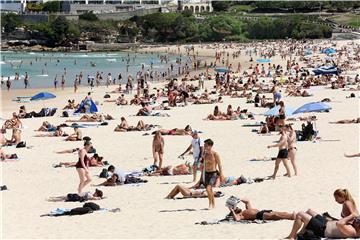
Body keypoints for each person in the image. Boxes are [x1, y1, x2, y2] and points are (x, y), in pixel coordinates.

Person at [285, 209, 360, 239]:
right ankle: (302, 232)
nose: (354, 220)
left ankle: (291, 236)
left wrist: (352, 215)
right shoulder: (354, 227)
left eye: (356, 221)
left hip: (322, 230)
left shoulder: (353, 231)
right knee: (309, 211)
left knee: (300, 214)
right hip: (326, 223)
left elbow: (339, 223)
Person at [228, 198, 295, 221]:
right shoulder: (241, 215)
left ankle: (291, 215)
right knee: (275, 215)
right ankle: (290, 217)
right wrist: (232, 210)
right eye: (236, 208)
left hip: (262, 211)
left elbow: (247, 201)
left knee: (281, 212)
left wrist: (238, 199)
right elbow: (236, 219)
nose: (237, 207)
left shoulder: (246, 209)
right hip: (259, 215)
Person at [202, 139, 223, 209]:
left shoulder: (215, 154)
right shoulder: (205, 153)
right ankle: (213, 204)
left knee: (208, 188)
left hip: (213, 173)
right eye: (204, 145)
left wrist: (221, 175)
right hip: (206, 173)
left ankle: (210, 204)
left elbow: (219, 165)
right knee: (210, 190)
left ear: (210, 146)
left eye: (206, 145)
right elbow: (203, 163)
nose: (204, 146)